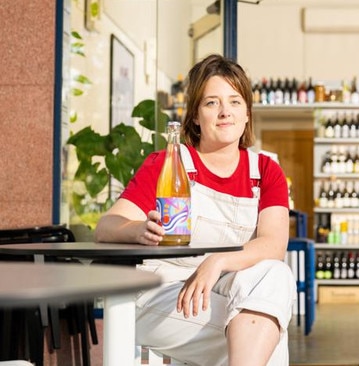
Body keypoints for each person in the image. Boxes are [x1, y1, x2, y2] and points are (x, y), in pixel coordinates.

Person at [94, 53, 295, 366]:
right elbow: (106, 227)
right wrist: (138, 230)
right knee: (268, 331)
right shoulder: (168, 165)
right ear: (196, 116)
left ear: (247, 114)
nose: (225, 112)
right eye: (212, 103)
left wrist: (217, 262)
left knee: (275, 277)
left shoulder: (265, 171)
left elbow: (273, 244)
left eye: (235, 102)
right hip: (163, 297)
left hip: (224, 289)